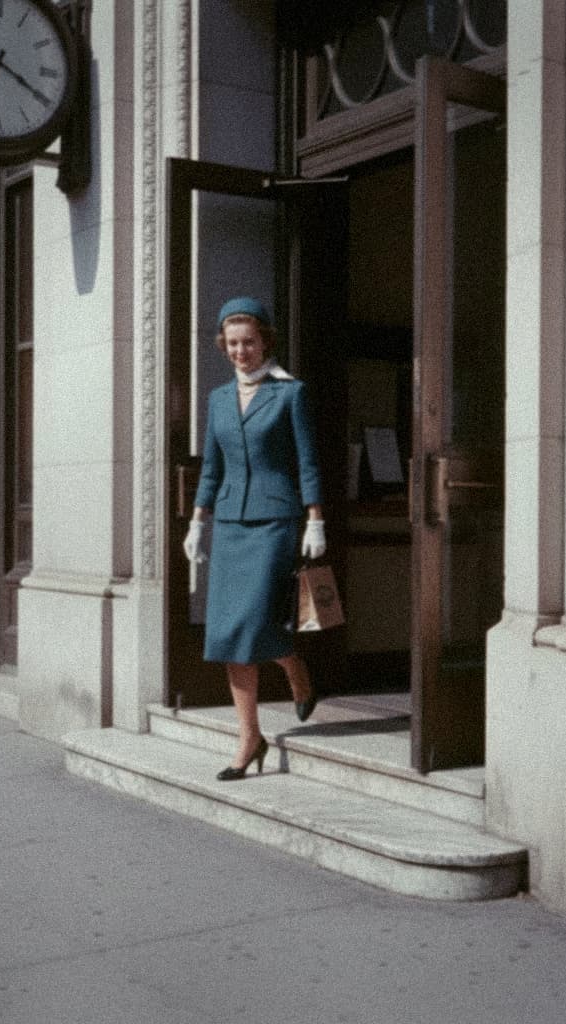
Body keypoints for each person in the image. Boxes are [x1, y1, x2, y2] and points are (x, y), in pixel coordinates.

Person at [183, 297, 327, 781]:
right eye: (232, 343)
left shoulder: (290, 393)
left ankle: (294, 669)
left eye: (249, 342)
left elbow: (307, 461)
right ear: (223, 346)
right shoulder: (218, 400)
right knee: (227, 632)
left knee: (255, 619)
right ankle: (249, 736)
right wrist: (197, 522)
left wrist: (315, 519)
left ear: (265, 340)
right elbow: (212, 466)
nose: (240, 351)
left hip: (274, 522)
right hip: (229, 523)